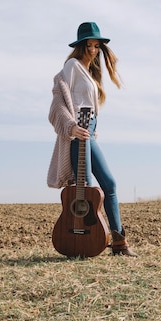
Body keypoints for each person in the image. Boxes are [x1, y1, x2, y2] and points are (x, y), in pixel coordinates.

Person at [47, 22, 137, 257]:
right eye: (89, 45)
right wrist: (71, 127)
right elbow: (58, 100)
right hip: (78, 133)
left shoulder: (90, 72)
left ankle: (118, 242)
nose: (93, 50)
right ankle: (84, 243)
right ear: (80, 46)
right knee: (85, 190)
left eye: (97, 46)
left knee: (109, 185)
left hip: (90, 131)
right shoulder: (72, 66)